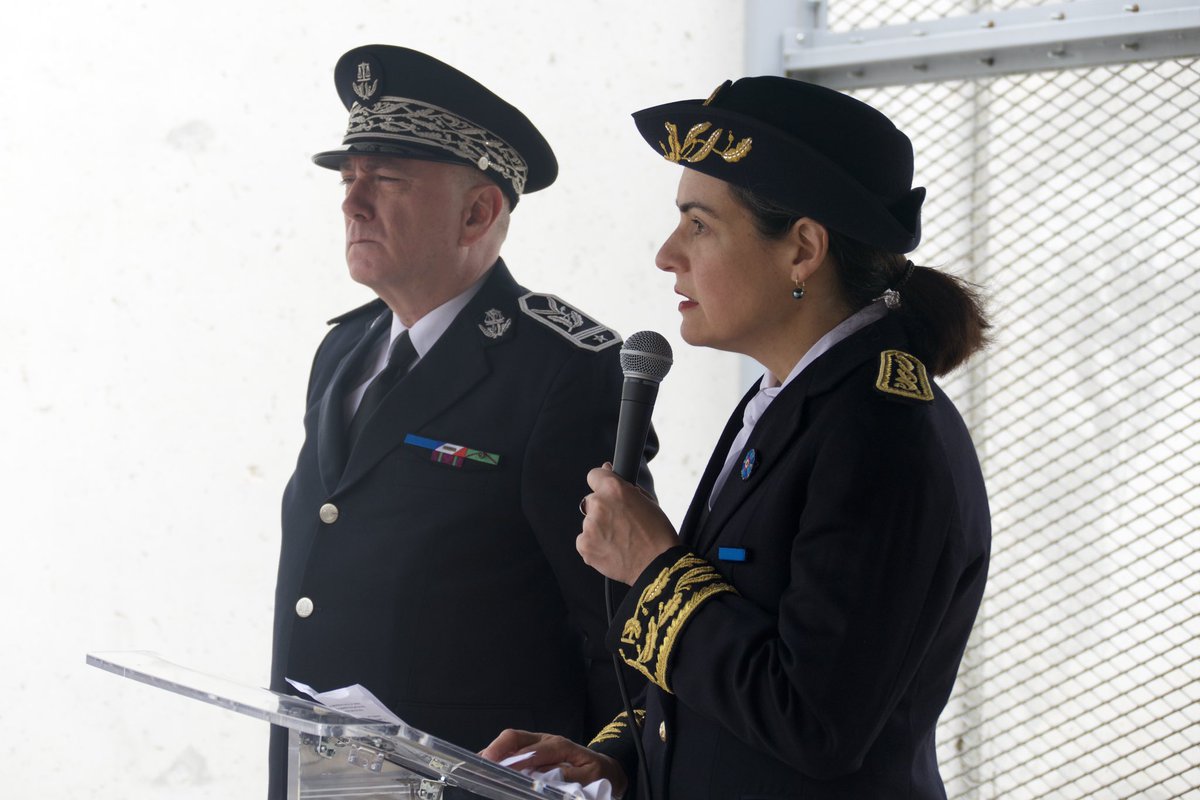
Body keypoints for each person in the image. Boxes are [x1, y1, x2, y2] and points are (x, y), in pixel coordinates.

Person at [482, 76, 991, 799]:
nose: (668, 254)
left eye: (699, 225)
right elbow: (740, 657)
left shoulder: (879, 431)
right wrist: (618, 757)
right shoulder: (792, 399)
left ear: (802, 250)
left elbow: (814, 720)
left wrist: (653, 567)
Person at [269, 45, 652, 797]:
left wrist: (617, 768)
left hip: (469, 781)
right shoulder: (344, 349)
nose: (352, 202)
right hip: (325, 777)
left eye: (385, 181)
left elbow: (613, 621)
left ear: (479, 211)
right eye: (349, 179)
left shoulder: (566, 370)